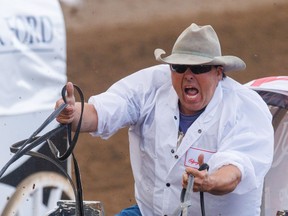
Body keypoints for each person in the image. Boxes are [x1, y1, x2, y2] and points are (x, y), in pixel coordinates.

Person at [55, 23, 274, 216]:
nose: (188, 75)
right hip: (150, 212)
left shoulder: (244, 107)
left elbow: (235, 171)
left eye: (199, 68)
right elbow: (102, 112)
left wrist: (210, 182)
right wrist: (73, 114)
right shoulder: (150, 85)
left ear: (219, 73)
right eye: (179, 67)